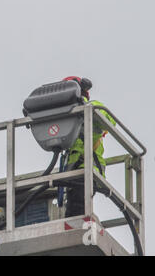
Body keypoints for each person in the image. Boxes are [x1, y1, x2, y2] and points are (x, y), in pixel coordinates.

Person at [63, 76, 116, 218]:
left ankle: (80, 230)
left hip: (88, 167)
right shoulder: (66, 117)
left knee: (77, 211)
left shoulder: (92, 106)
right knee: (74, 209)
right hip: (73, 172)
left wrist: (86, 108)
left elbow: (110, 121)